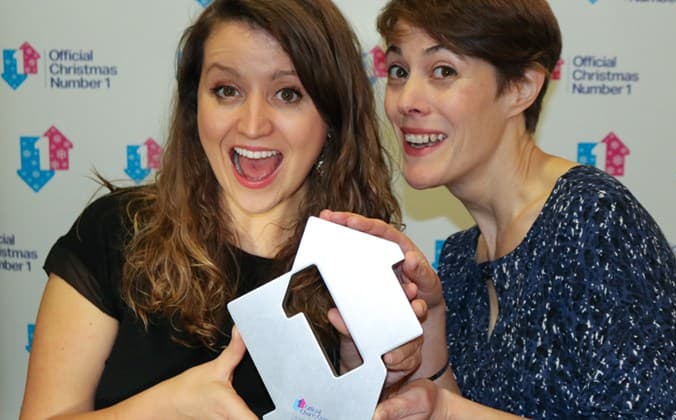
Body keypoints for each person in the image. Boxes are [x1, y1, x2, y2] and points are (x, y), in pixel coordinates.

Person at [19, 0, 424, 418]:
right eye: (227, 91)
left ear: (332, 117)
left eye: (287, 94)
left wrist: (367, 372)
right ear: (195, 105)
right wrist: (166, 407)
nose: (252, 124)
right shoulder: (114, 235)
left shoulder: (361, 268)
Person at [324, 0, 676, 418]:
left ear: (521, 87)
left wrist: (446, 411)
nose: (406, 100)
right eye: (398, 71)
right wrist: (431, 323)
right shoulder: (462, 258)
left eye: (443, 71)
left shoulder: (594, 220)